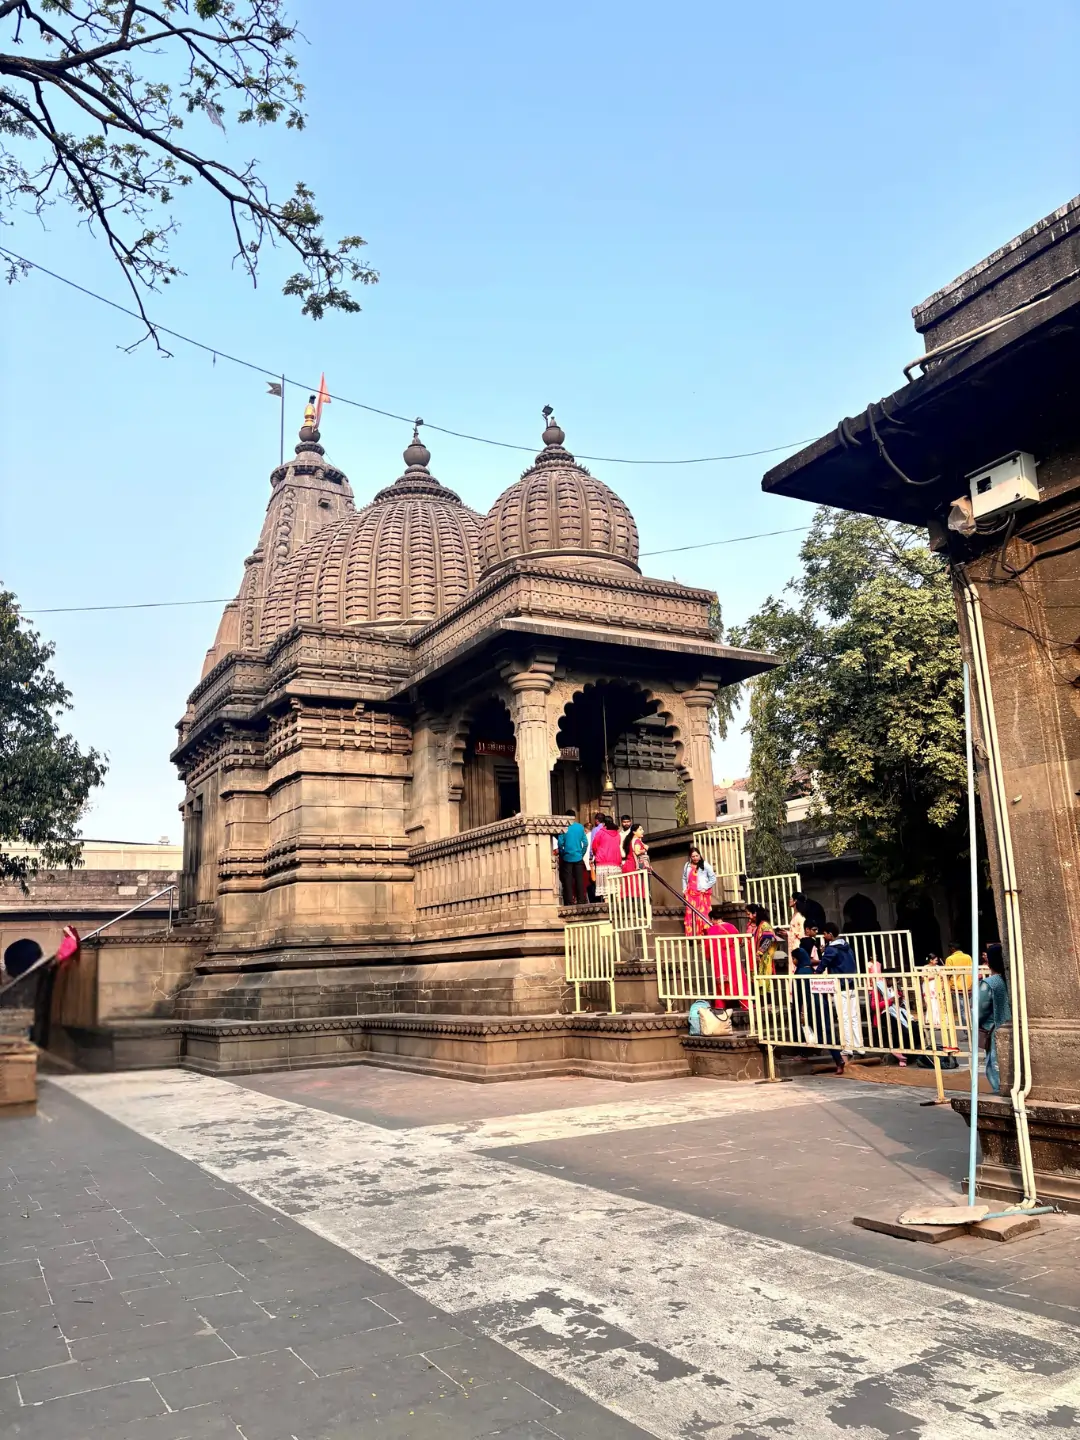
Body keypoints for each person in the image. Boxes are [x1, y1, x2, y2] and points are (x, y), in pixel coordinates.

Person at [819, 922, 861, 1070]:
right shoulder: (847, 946)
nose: (823, 936)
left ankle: (847, 1047)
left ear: (830, 934)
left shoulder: (832, 949)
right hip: (851, 984)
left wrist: (817, 972)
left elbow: (824, 963)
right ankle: (858, 1045)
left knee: (843, 1017)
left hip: (840, 986)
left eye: (824, 934)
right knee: (854, 1016)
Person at [979, 943, 1011, 1094]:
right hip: (1016, 1028)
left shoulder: (990, 983)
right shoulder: (1013, 980)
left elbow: (978, 1011)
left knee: (997, 1068)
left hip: (996, 1029)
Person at [681, 847, 717, 936]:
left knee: (703, 914)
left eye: (697, 855)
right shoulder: (687, 865)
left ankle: (704, 935)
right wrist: (684, 889)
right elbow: (684, 878)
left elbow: (713, 879)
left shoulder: (705, 865)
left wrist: (705, 887)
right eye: (693, 856)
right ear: (690, 857)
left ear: (700, 855)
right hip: (690, 894)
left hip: (701, 894)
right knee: (691, 914)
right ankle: (693, 935)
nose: (695, 858)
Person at [557, 809, 589, 906]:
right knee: (579, 879)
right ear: (575, 817)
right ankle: (581, 900)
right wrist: (581, 854)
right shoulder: (580, 827)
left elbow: (560, 843)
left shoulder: (564, 827)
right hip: (578, 857)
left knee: (568, 880)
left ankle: (569, 901)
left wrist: (563, 853)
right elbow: (585, 843)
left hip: (567, 857)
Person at [591, 816, 623, 899]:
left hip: (603, 861)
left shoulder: (600, 833)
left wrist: (596, 854)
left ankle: (606, 906)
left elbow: (594, 846)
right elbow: (618, 844)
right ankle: (618, 906)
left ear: (604, 824)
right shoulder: (617, 834)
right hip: (615, 861)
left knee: (605, 888)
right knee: (615, 887)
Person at [746, 904, 778, 976]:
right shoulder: (760, 925)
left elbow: (768, 940)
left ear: (755, 914)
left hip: (765, 957)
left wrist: (759, 953)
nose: (748, 917)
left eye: (749, 914)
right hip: (761, 957)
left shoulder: (764, 925)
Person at [620, 822, 649, 898]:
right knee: (635, 888)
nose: (642, 831)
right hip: (633, 866)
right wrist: (645, 849)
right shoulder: (636, 841)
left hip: (628, 865)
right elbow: (637, 851)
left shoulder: (630, 840)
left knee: (628, 888)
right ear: (634, 832)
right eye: (640, 829)